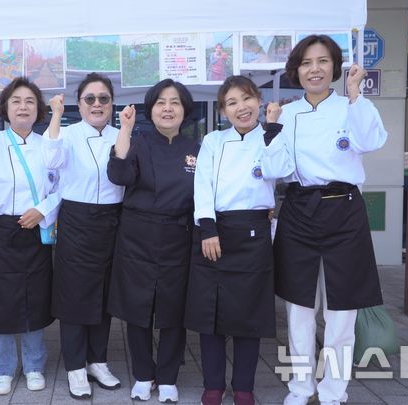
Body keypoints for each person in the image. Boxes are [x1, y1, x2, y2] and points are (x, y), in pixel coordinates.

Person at [273, 35, 387, 405]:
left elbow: (370, 141)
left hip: (344, 208)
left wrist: (356, 93)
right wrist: (270, 131)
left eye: (323, 61)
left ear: (335, 68)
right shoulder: (287, 113)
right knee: (299, 309)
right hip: (299, 210)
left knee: (342, 310)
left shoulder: (352, 104)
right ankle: (300, 388)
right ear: (297, 70)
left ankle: (334, 391)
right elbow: (279, 167)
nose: (315, 69)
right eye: (306, 63)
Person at [184, 76, 294, 405]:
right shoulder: (214, 141)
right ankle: (214, 384)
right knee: (211, 316)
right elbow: (201, 184)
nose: (240, 107)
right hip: (215, 232)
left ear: (258, 101)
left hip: (254, 233)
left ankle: (244, 386)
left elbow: (282, 170)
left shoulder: (273, 135)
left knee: (250, 316)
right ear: (223, 111)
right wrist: (208, 228)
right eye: (231, 102)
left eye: (246, 99)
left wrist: (273, 129)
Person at [107, 79, 200, 403]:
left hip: (179, 237)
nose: (168, 108)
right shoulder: (140, 143)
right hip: (137, 237)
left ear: (185, 109)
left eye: (174, 102)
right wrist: (125, 129)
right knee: (138, 309)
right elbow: (119, 175)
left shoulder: (196, 149)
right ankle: (144, 375)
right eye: (161, 102)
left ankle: (169, 377)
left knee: (174, 310)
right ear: (152, 109)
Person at [0, 77, 59, 396]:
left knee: (35, 297)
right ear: (4, 108)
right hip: (3, 229)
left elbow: (61, 186)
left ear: (38, 110)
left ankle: (34, 364)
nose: (23, 106)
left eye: (30, 101)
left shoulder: (48, 143)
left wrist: (44, 210)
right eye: (16, 100)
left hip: (36, 228)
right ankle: (3, 368)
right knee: (1, 300)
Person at [42, 72, 123, 399]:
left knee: (105, 294)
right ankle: (76, 367)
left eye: (104, 98)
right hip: (76, 218)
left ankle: (98, 361)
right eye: (90, 98)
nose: (97, 104)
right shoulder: (66, 133)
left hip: (115, 220)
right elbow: (49, 160)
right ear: (80, 103)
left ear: (112, 103)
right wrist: (56, 116)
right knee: (75, 295)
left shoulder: (122, 134)